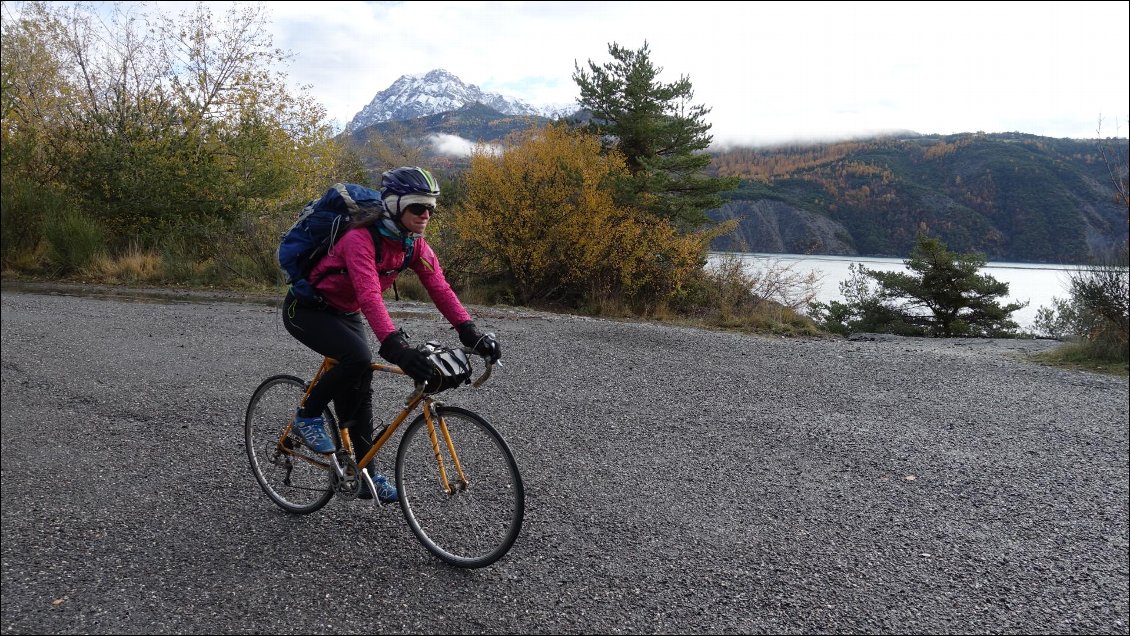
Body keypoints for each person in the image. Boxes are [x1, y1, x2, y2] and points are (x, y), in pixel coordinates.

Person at [282, 166, 501, 503]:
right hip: (308, 309)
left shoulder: (413, 245)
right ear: (396, 205)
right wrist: (395, 346)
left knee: (360, 383)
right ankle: (307, 416)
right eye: (417, 207)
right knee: (357, 357)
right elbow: (370, 296)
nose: (426, 215)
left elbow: (440, 288)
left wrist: (470, 333)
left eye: (431, 208)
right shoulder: (360, 239)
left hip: (345, 311)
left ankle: (366, 473)